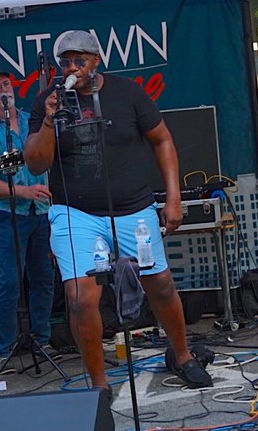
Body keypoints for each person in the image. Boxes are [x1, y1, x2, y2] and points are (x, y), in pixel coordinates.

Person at [23, 30, 212, 391]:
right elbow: (35, 163)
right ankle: (99, 385)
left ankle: (182, 355)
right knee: (81, 298)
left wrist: (173, 198)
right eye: (65, 62)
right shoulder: (48, 101)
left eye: (79, 61)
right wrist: (49, 120)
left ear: (96, 61)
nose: (72, 68)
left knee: (160, 284)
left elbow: (162, 139)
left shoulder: (127, 93)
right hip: (75, 212)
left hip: (133, 208)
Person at [0, 67, 55, 374]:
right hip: (8, 214)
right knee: (10, 280)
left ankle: (42, 340)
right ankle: (1, 350)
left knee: (44, 277)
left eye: (7, 84)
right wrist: (23, 191)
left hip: (41, 210)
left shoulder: (33, 121)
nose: (5, 90)